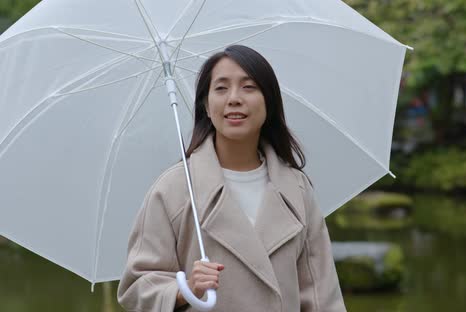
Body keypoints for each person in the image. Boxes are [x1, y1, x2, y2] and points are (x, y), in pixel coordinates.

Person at [117, 45, 346, 311]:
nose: (234, 98)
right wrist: (185, 290)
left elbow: (322, 296)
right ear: (205, 103)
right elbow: (137, 286)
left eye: (249, 87)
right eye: (221, 88)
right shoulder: (175, 189)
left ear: (269, 101)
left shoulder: (296, 188)